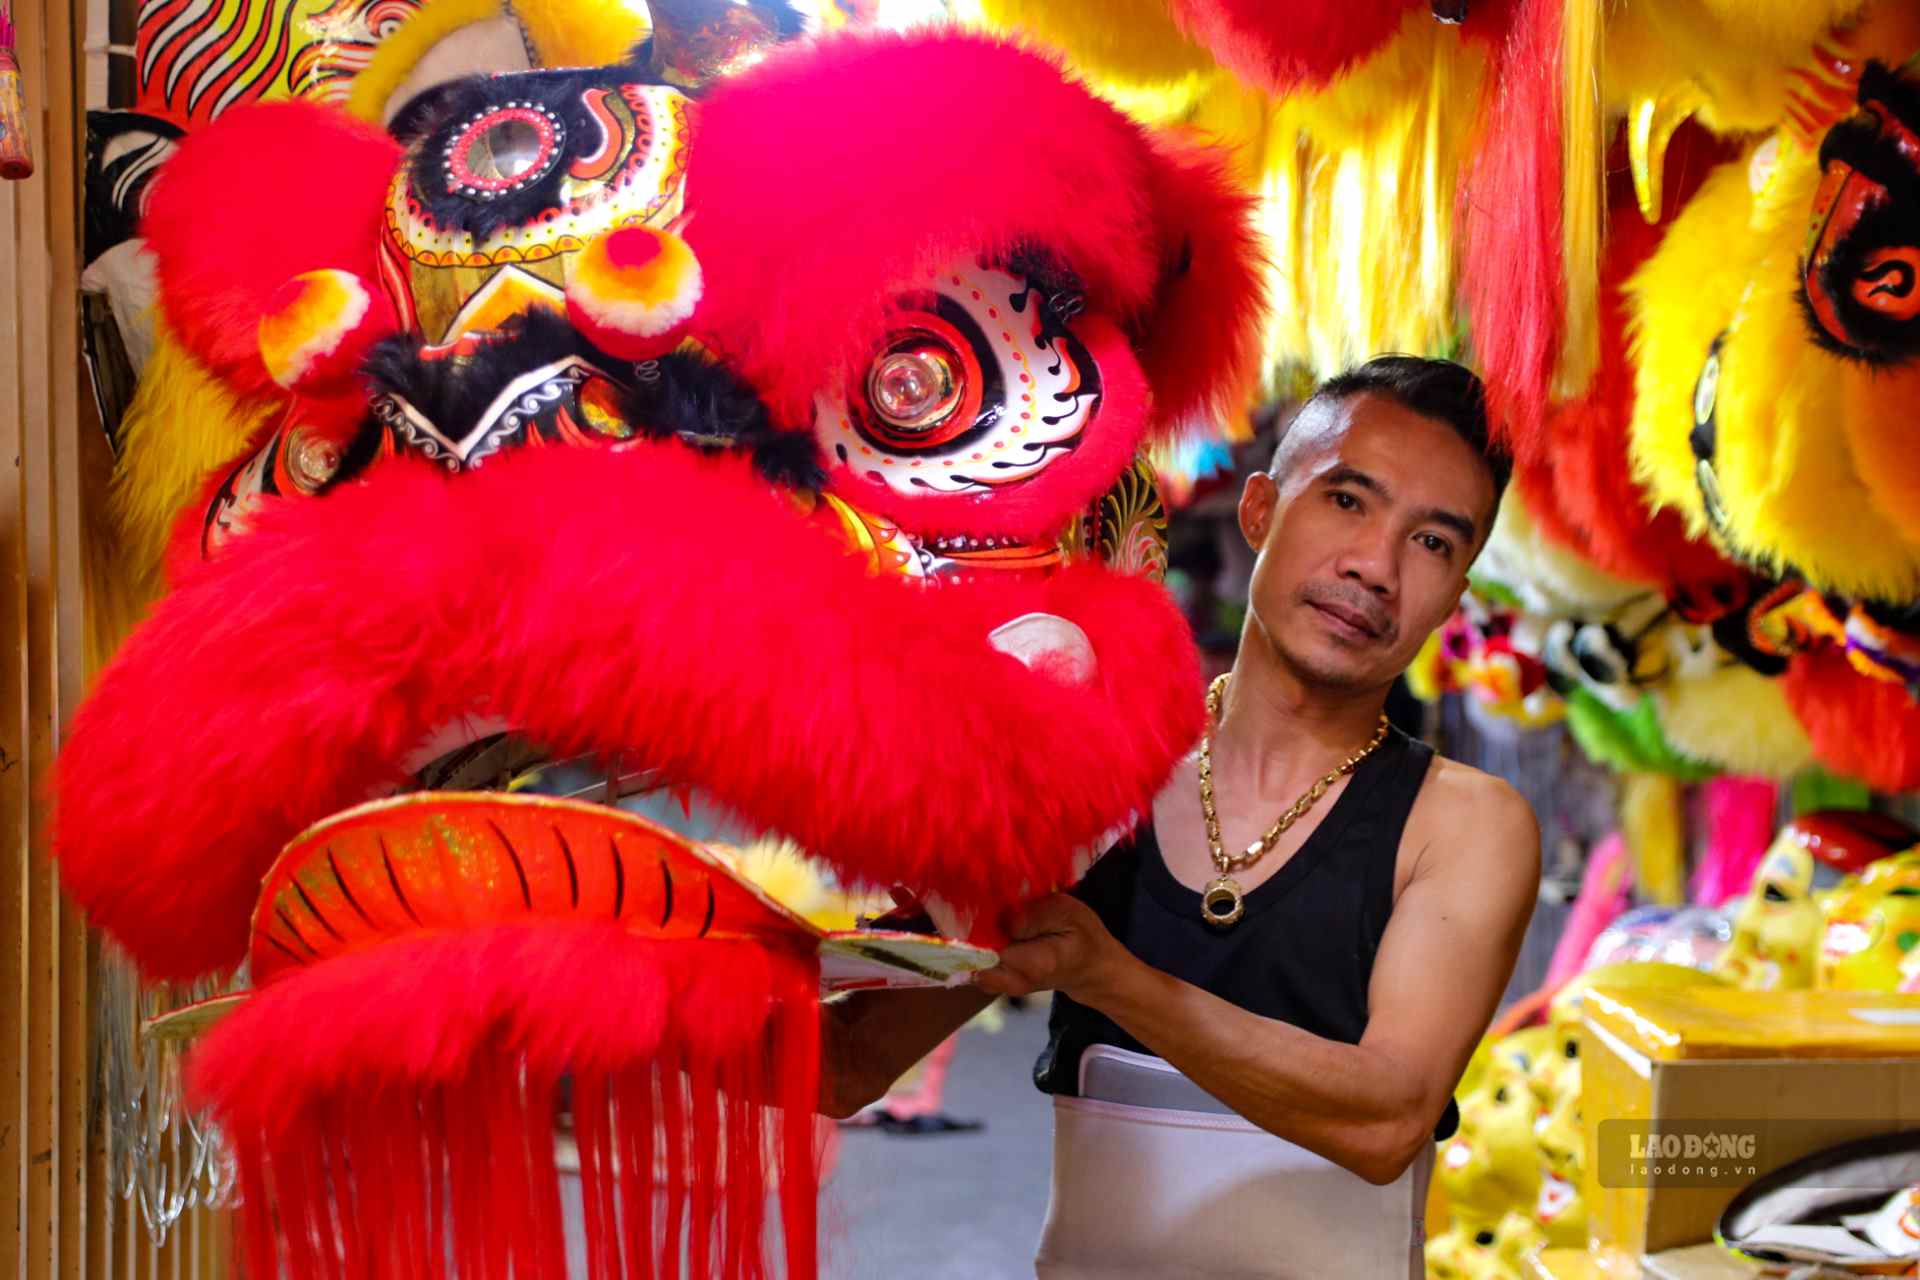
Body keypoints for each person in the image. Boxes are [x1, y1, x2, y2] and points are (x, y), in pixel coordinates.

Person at [818, 355, 1541, 1278]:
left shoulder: (1465, 824)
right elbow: (849, 1064)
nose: (1375, 567)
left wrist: (1109, 976)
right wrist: (637, 976)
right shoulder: (1096, 768)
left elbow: (1386, 1118)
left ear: (1458, 593)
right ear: (1260, 512)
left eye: (1434, 543)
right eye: (1347, 501)